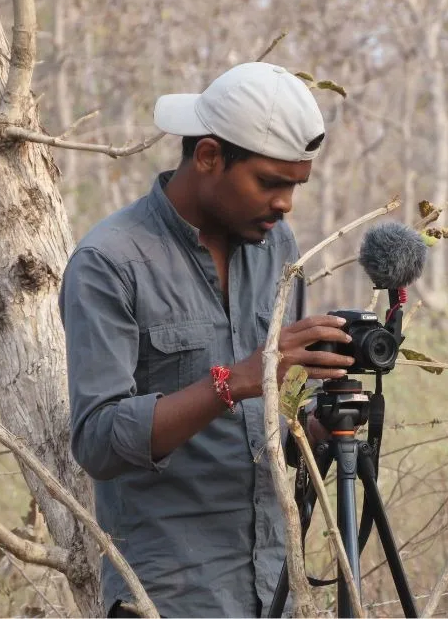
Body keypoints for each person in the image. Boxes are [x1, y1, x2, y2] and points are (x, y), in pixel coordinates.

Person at [59, 62, 355, 618]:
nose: (286, 203)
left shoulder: (277, 246)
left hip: (275, 588)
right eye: (270, 182)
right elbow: (97, 440)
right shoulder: (111, 262)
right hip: (168, 597)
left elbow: (267, 429)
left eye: (295, 184)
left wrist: (317, 424)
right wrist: (235, 381)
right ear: (209, 156)